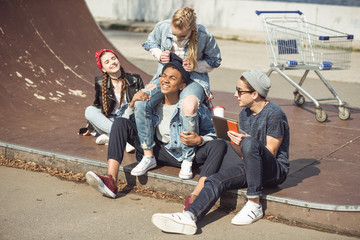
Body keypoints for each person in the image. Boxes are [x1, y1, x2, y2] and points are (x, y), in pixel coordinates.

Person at [151, 69, 290, 235]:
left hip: (273, 171)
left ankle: (254, 203)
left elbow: (271, 152)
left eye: (240, 91)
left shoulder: (274, 113)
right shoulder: (244, 113)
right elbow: (242, 154)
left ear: (255, 94)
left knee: (250, 142)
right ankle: (189, 216)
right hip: (250, 164)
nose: (235, 94)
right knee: (216, 178)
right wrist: (234, 140)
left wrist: (246, 140)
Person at [85, 54, 227, 199]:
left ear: (182, 85)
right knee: (120, 123)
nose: (165, 80)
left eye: (172, 78)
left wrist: (199, 140)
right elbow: (122, 125)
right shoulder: (150, 104)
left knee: (218, 145)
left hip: (185, 157)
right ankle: (111, 180)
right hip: (158, 151)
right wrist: (133, 104)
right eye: (163, 76)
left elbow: (214, 135)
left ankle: (197, 196)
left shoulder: (191, 107)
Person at [134, 6, 222, 179]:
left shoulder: (204, 35)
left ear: (192, 29)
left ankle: (187, 159)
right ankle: (148, 155)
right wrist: (159, 54)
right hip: (167, 76)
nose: (177, 38)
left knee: (188, 106)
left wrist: (196, 65)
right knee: (141, 101)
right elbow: (150, 43)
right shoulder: (163, 26)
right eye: (174, 34)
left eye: (182, 36)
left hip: (194, 79)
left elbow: (215, 60)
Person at [82, 49, 144, 150]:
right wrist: (90, 126)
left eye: (113, 58)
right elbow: (97, 104)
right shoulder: (100, 82)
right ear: (103, 69)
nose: (112, 62)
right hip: (111, 121)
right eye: (107, 62)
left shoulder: (135, 79)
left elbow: (142, 105)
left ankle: (113, 137)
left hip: (130, 120)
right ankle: (127, 138)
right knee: (90, 110)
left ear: (118, 60)